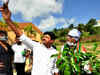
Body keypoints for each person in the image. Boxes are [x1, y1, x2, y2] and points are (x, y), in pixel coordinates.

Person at [0, 3, 59, 75]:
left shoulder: (55, 52)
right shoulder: (36, 46)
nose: (43, 38)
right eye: (43, 36)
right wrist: (8, 20)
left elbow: (55, 68)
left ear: (52, 41)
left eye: (47, 37)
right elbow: (20, 34)